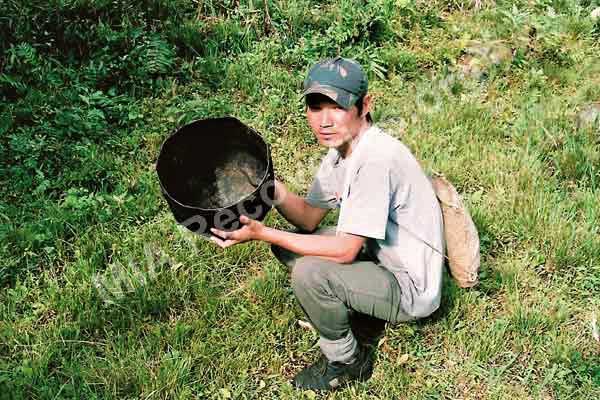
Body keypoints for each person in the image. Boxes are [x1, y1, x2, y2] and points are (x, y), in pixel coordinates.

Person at [210, 56, 444, 391]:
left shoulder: (375, 160)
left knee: (309, 272)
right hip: (382, 257)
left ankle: (348, 362)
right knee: (288, 248)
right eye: (315, 107)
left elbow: (346, 250)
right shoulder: (341, 152)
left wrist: (261, 233)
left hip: (412, 289)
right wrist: (268, 188)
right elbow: (308, 218)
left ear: (365, 105)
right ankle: (362, 308)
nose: (324, 121)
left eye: (336, 107)